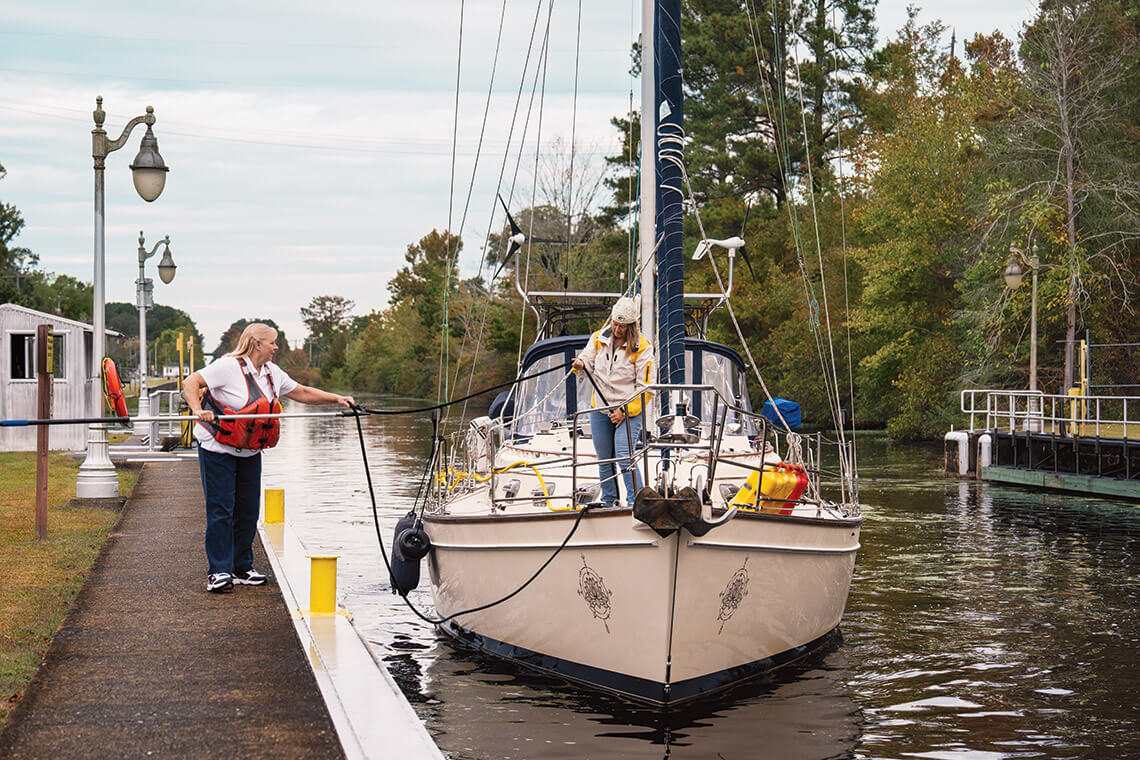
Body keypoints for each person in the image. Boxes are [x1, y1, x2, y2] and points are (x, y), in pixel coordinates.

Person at [183, 323, 354, 593]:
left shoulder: (272, 373)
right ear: (256, 344)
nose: (276, 347)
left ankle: (241, 567)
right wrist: (197, 409)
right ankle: (218, 572)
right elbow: (191, 382)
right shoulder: (227, 366)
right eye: (272, 342)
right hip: (218, 448)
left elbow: (301, 392)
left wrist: (337, 399)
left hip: (250, 449)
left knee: (248, 510)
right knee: (221, 510)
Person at [572, 296, 654, 507]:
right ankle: (609, 502)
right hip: (600, 408)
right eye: (615, 324)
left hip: (629, 411)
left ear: (631, 326)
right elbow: (587, 363)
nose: (617, 329)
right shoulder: (598, 338)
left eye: (622, 326)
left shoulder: (643, 348)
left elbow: (646, 389)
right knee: (604, 458)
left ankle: (637, 501)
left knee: (624, 455)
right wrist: (580, 365)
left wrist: (624, 411)